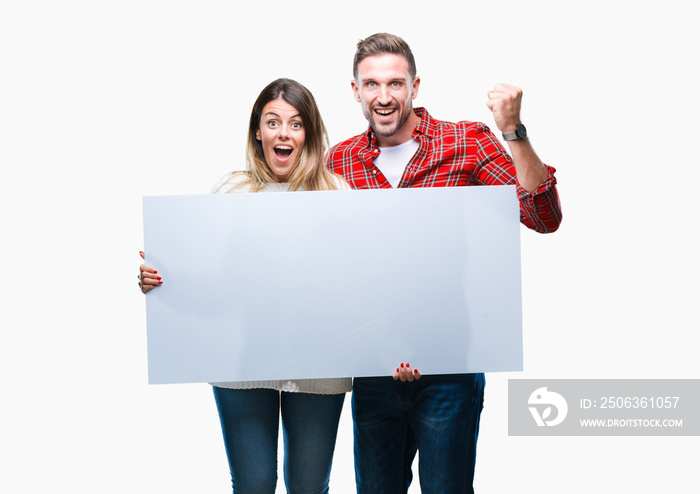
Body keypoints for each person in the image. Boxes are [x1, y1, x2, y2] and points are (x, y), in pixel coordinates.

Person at [325, 33, 562, 494]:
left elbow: (542, 215)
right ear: (355, 91)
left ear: (415, 86)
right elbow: (325, 266)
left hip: (449, 368)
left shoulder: (466, 141)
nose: (384, 96)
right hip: (374, 369)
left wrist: (513, 131)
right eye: (371, 85)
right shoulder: (340, 161)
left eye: (396, 83)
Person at [139, 78, 352, 494]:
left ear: (308, 131)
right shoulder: (232, 190)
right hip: (243, 364)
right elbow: (208, 280)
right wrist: (163, 283)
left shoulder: (337, 192)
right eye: (273, 122)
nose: (283, 133)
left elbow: (354, 284)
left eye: (295, 123)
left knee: (309, 486)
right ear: (258, 130)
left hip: (319, 367)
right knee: (253, 484)